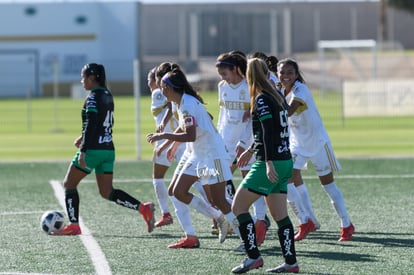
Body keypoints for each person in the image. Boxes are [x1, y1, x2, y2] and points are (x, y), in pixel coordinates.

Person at [51, 63, 155, 235]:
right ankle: (143, 208)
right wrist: (83, 137)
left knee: (69, 184)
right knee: (107, 192)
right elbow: (101, 122)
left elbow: (92, 123)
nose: (81, 81)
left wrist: (84, 149)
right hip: (108, 149)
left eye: (83, 77)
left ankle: (74, 225)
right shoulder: (107, 95)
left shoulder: (92, 98)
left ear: (92, 78)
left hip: (93, 149)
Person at [147, 66, 239, 248]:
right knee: (177, 191)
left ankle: (246, 236)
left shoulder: (187, 104)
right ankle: (219, 218)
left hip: (213, 155)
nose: (160, 88)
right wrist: (172, 145)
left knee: (219, 199)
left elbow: (190, 135)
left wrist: (164, 136)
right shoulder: (180, 102)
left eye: (163, 85)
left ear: (172, 87)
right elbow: (187, 128)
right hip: (197, 153)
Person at [231, 58, 299, 273]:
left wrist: (267, 162)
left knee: (238, 207)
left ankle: (253, 257)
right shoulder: (276, 94)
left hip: (270, 163)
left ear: (249, 75)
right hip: (285, 160)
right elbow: (267, 130)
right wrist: (251, 149)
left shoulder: (261, 98)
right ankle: (291, 262)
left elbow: (269, 131)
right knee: (280, 216)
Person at [277, 58, 354, 242]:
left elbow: (288, 111)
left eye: (290, 72)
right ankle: (305, 221)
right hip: (297, 144)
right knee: (285, 179)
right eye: (282, 72)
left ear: (296, 75)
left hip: (318, 143)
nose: (285, 76)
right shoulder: (279, 90)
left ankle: (346, 224)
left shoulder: (300, 89)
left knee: (328, 185)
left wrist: (269, 101)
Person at [215, 51, 269, 248]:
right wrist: (218, 138)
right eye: (220, 75)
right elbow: (223, 115)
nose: (223, 78)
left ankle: (259, 223)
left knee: (250, 184)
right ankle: (235, 221)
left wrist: (245, 144)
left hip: (245, 144)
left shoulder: (249, 87)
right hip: (225, 143)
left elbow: (253, 121)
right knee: (220, 181)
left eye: (225, 73)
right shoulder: (222, 87)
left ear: (236, 69)